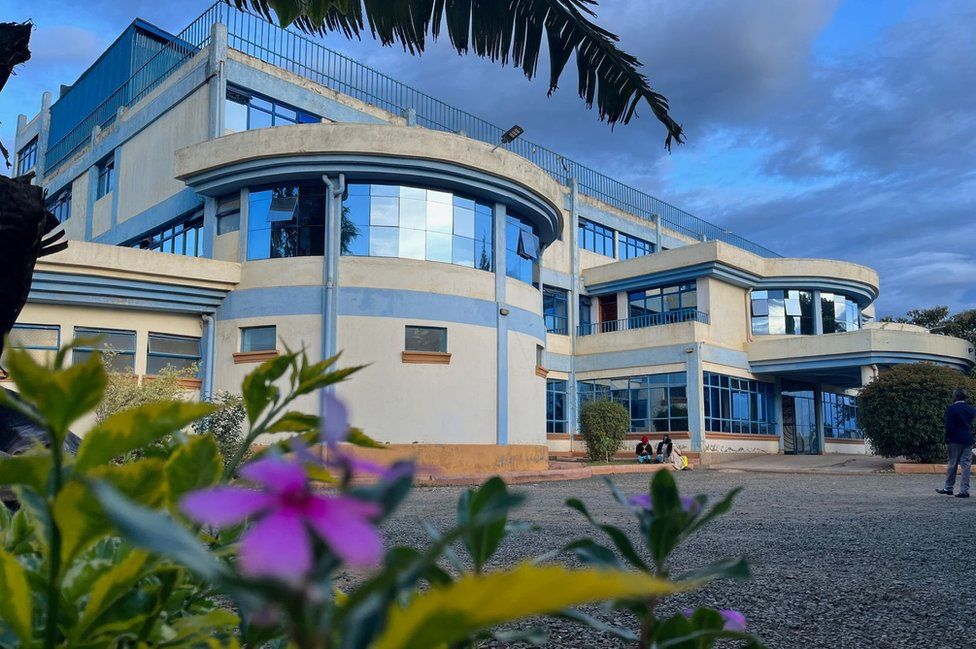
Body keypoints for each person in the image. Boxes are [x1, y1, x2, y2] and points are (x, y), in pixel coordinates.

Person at [937, 388, 975, 498]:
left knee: (952, 463)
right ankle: (964, 490)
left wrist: (947, 438)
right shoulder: (971, 409)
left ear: (955, 397)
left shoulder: (951, 409)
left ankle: (948, 487)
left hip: (954, 439)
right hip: (968, 439)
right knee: (966, 465)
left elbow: (949, 426)